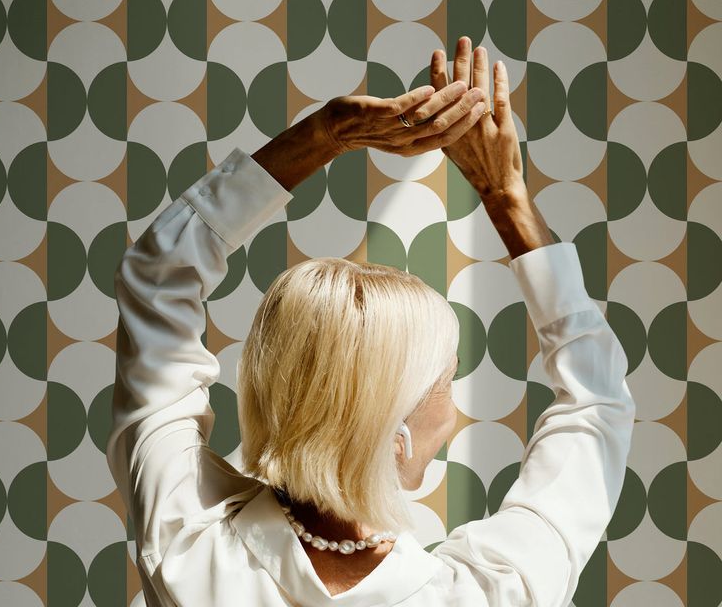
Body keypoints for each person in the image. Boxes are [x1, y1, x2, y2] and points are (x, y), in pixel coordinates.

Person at [106, 38, 636, 606]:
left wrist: (326, 134)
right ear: (396, 435)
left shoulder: (187, 543)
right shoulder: (487, 593)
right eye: (446, 381)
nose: (453, 414)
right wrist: (505, 195)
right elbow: (596, 404)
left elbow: (157, 277)